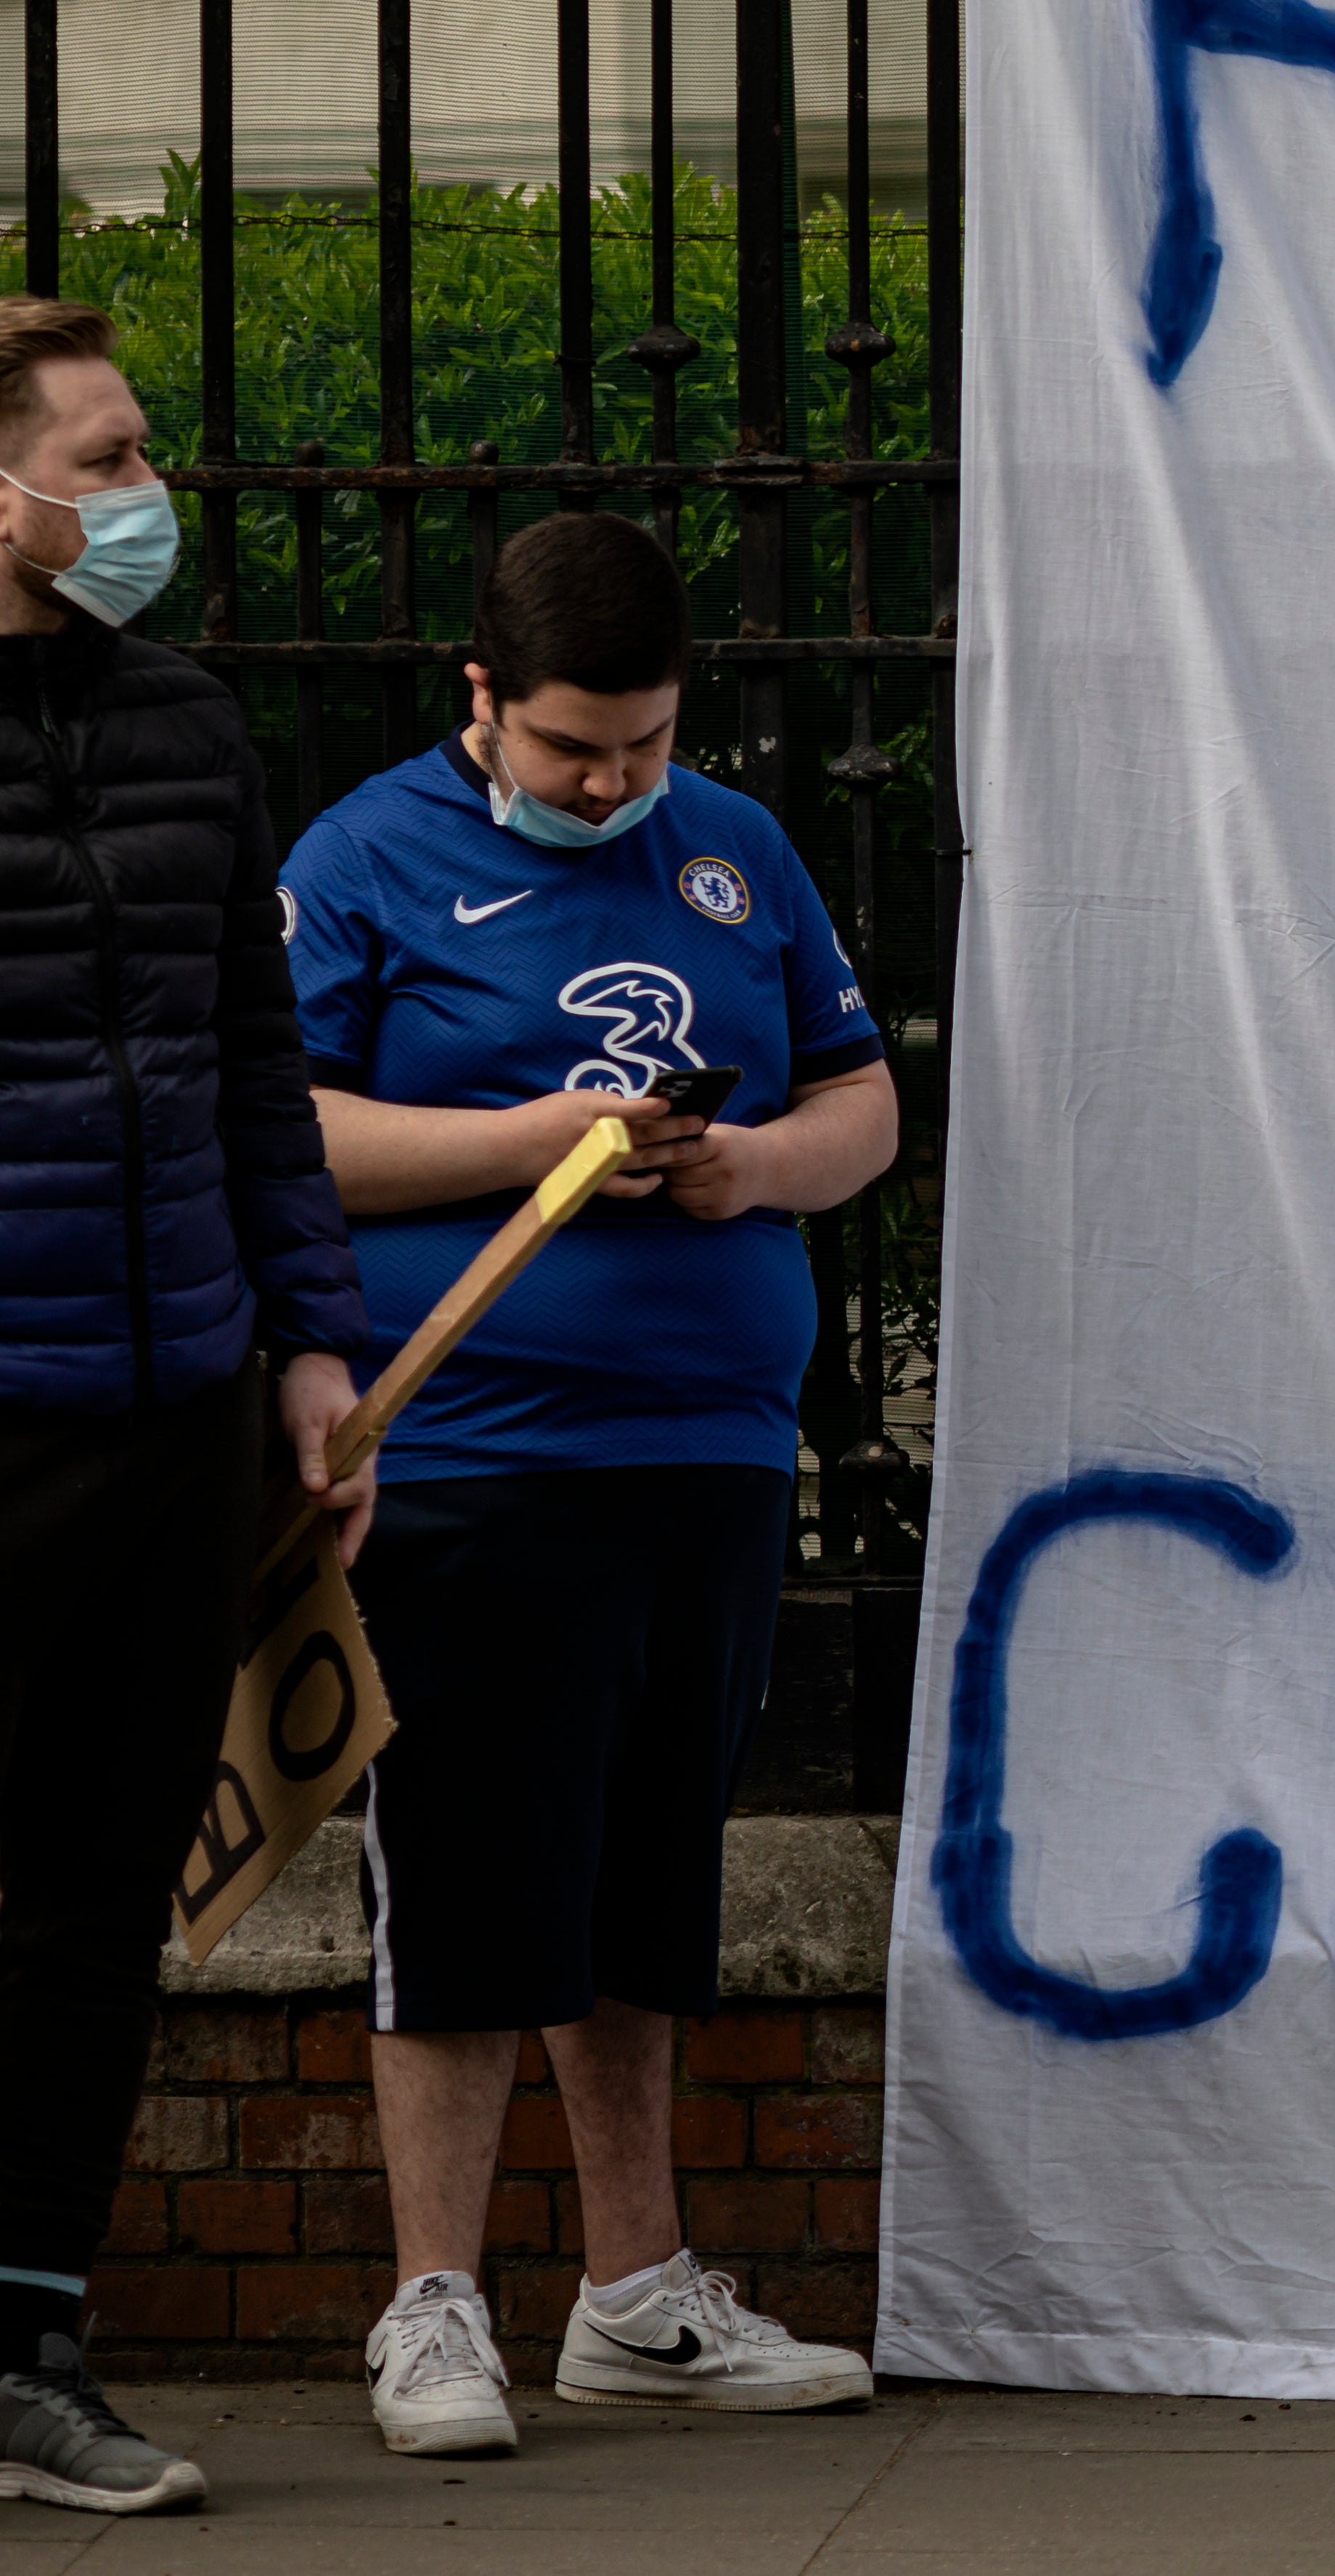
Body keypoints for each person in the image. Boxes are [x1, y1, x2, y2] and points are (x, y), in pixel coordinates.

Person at [286, 512, 898, 2457]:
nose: (611, 782)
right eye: (570, 748)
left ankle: (637, 2295)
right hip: (477, 1453)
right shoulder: (366, 854)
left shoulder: (738, 850)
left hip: (703, 1452)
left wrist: (754, 1173)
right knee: (474, 1875)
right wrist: (530, 1137)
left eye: (641, 741)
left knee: (645, 1879)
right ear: (480, 699)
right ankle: (434, 2302)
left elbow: (858, 1097)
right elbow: (279, 1125)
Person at [0, 298, 373, 2519]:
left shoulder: (191, 726)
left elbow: (260, 1060)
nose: (149, 496)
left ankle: (29, 2344)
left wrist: (310, 1341)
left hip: (179, 1406)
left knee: (94, 1897)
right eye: (112, 454)